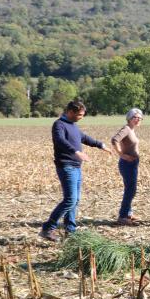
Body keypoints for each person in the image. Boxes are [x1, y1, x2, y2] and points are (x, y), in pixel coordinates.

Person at [39, 100, 111, 241]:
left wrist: (100, 145)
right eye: (79, 115)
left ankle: (70, 232)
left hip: (76, 167)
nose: (81, 117)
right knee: (70, 199)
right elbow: (60, 140)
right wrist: (75, 151)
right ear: (70, 112)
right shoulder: (59, 125)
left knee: (75, 200)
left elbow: (84, 138)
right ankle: (48, 228)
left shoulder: (73, 126)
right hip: (66, 166)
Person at [111, 108, 143, 226]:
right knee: (130, 189)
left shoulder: (131, 130)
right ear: (129, 118)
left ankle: (128, 213)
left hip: (132, 163)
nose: (138, 119)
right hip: (127, 164)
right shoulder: (126, 129)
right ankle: (123, 216)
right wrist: (121, 154)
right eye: (135, 117)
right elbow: (114, 140)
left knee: (131, 189)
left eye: (140, 118)